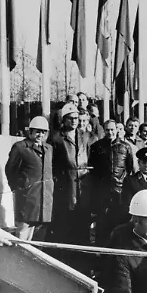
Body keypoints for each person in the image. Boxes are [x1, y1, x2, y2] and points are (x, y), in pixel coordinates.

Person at [5, 116, 53, 241]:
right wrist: (18, 188)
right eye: (37, 131)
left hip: (44, 199)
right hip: (27, 197)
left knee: (37, 233)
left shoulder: (48, 149)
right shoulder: (20, 147)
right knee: (23, 230)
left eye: (43, 132)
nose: (40, 134)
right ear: (30, 131)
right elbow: (10, 170)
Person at [51, 102, 91, 247]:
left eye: (76, 118)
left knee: (83, 225)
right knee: (66, 223)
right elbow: (52, 164)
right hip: (66, 186)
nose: (74, 121)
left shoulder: (85, 136)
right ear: (64, 120)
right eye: (70, 118)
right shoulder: (57, 138)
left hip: (84, 186)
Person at [88, 119, 134, 246]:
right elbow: (93, 171)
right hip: (102, 191)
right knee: (102, 223)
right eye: (107, 130)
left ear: (117, 130)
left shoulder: (125, 147)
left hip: (120, 190)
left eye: (112, 129)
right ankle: (100, 252)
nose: (110, 132)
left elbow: (129, 168)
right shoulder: (97, 147)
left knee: (119, 221)